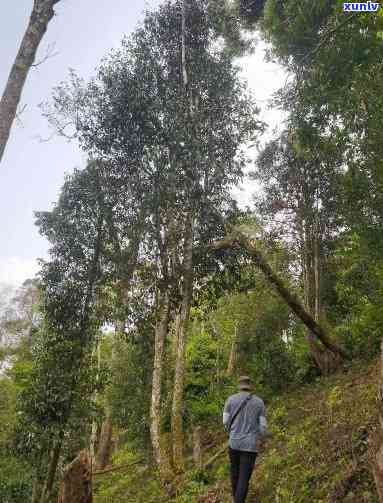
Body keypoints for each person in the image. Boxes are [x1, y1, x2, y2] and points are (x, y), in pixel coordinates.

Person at [223, 375, 267, 503]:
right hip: (250, 445)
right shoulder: (259, 402)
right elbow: (263, 427)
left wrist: (232, 431)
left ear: (239, 386)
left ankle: (236, 499)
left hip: (234, 443)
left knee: (234, 473)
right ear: (249, 386)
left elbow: (225, 421)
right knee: (244, 477)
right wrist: (261, 436)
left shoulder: (230, 400)